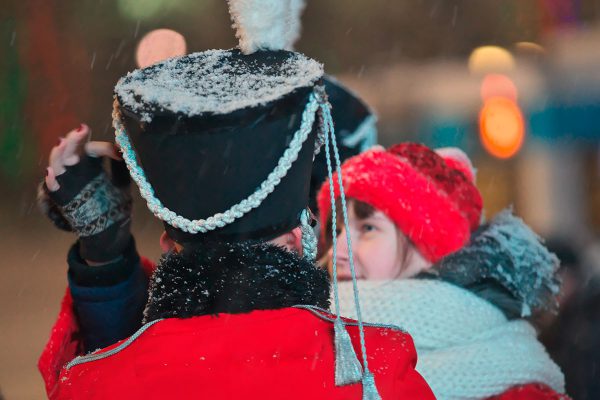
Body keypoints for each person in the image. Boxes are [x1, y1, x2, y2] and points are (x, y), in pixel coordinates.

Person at [37, 2, 435, 399]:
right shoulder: (379, 369)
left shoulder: (93, 384)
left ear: (169, 245)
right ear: (299, 238)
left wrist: (106, 257)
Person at [317, 145, 568, 399]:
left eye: (368, 228)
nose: (337, 252)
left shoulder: (517, 382)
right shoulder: (311, 346)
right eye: (335, 231)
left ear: (430, 247)